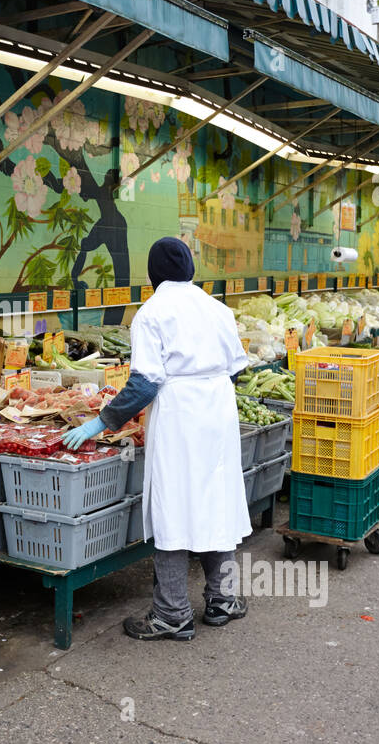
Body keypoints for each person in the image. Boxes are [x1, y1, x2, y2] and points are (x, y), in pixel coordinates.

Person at [64, 237, 250, 641]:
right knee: (216, 499)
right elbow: (237, 369)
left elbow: (145, 383)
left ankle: (172, 614)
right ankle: (222, 600)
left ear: (153, 275)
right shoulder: (218, 309)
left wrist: (101, 422)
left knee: (174, 505)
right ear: (190, 270)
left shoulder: (151, 313)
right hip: (218, 411)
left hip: (180, 415)